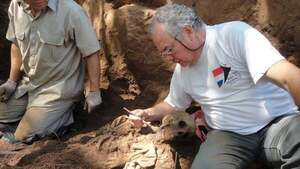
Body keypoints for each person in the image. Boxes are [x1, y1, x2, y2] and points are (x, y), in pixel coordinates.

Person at [130, 3, 300, 169]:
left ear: (188, 32)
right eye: (163, 53)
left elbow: (288, 76)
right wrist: (147, 113)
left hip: (279, 123)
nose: (168, 58)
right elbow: (173, 104)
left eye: (168, 49)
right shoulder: (183, 71)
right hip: (228, 136)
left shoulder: (234, 35)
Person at [0, 0, 102, 144]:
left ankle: (66, 118)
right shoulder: (15, 7)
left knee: (23, 137)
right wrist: (11, 81)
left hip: (58, 91)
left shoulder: (71, 11)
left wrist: (94, 92)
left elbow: (91, 53)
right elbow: (16, 44)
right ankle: (33, 118)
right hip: (29, 85)